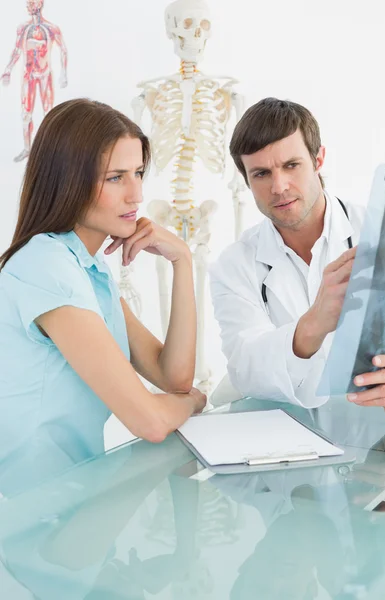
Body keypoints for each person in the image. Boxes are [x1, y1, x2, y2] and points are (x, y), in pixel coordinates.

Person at [0, 98, 206, 496]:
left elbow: (173, 376)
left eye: (138, 173)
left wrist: (182, 260)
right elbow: (150, 420)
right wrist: (192, 404)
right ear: (68, 181)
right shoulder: (45, 266)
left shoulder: (89, 271)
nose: (137, 195)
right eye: (116, 178)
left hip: (76, 501)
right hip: (27, 516)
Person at [210, 97, 385, 418]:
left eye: (291, 165)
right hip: (283, 436)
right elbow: (246, 370)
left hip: (378, 432)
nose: (279, 187)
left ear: (318, 159)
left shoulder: (382, 235)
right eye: (261, 174)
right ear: (246, 179)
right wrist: (313, 324)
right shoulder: (234, 265)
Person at [0, 0, 68, 162]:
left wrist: (63, 73)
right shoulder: (23, 28)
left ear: (39, 4)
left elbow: (63, 49)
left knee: (48, 113)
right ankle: (27, 148)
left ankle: (49, 149)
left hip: (44, 75)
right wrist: (8, 70)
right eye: (28, 3)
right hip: (28, 75)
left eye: (31, 2)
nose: (28, 5)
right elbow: (17, 50)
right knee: (26, 113)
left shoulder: (51, 28)